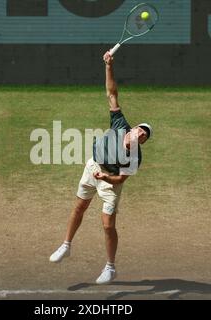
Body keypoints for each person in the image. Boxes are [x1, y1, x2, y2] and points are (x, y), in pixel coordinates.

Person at [49, 51, 153, 285]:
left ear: (143, 141)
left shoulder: (135, 156)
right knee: (79, 207)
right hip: (92, 167)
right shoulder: (120, 123)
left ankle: (110, 267)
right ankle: (66, 245)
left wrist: (105, 177)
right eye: (140, 130)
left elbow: (121, 181)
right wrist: (108, 66)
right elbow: (111, 93)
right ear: (133, 128)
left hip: (110, 181)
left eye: (144, 136)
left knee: (108, 224)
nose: (140, 134)